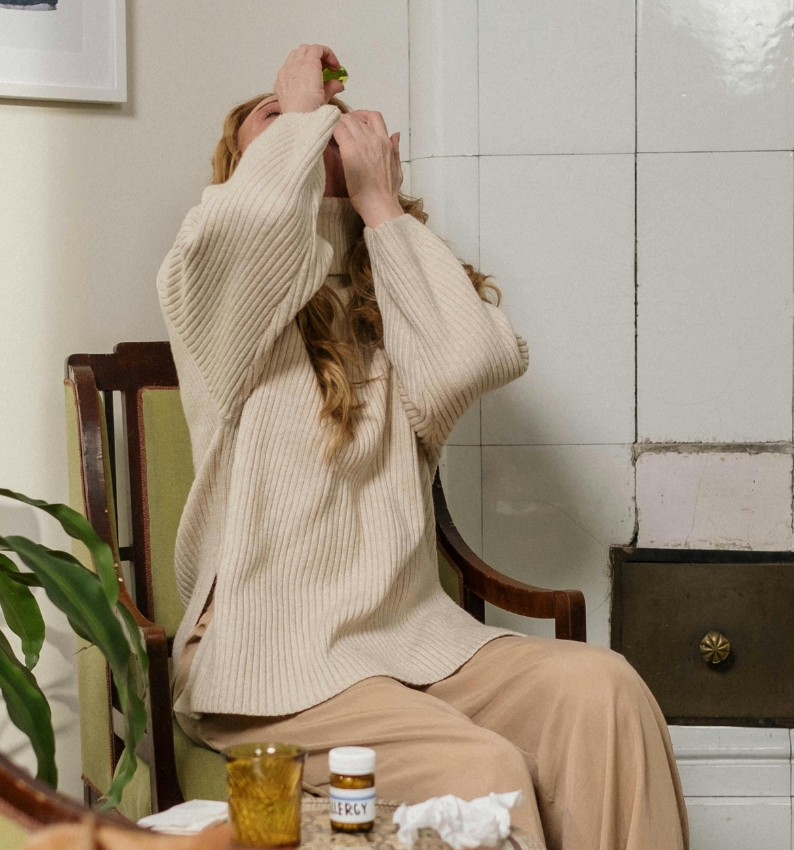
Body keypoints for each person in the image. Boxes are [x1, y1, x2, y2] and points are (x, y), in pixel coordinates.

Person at [157, 43, 689, 850]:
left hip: (414, 641)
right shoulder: (216, 307)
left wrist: (380, 207)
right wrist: (298, 109)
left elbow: (475, 360)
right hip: (273, 667)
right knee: (479, 770)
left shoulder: (388, 311)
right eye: (277, 124)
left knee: (604, 689)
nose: (313, 128)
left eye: (321, 123)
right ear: (245, 166)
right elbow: (247, 231)